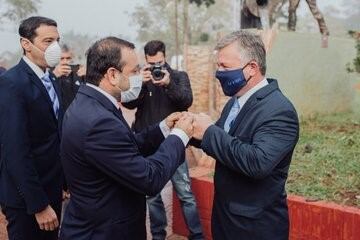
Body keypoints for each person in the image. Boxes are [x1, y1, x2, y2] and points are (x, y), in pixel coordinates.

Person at [59, 36, 194, 240]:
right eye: (134, 71)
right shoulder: (98, 121)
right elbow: (149, 178)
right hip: (105, 232)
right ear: (112, 74)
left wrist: (163, 128)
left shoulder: (91, 103)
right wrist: (180, 135)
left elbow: (126, 146)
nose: (139, 75)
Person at [190, 30, 300, 240]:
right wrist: (192, 131)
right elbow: (223, 143)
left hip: (254, 228)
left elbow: (257, 162)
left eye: (225, 67)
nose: (218, 73)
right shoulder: (235, 101)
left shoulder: (279, 110)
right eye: (217, 66)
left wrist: (209, 131)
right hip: (225, 219)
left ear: (251, 68)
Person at [123, 40, 204, 240]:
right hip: (148, 144)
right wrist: (138, 82)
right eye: (151, 64)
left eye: (159, 63)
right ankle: (158, 235)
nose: (156, 69)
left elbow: (186, 100)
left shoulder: (178, 76)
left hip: (175, 142)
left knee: (185, 193)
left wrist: (169, 84)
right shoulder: (143, 78)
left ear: (165, 57)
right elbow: (130, 104)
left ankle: (197, 235)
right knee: (152, 196)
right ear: (146, 60)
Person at [0, 16, 64, 240]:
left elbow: (53, 135)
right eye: (48, 41)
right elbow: (15, 151)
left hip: (52, 189)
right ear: (26, 44)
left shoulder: (52, 80)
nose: (55, 47)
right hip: (27, 200)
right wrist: (38, 205)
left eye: (57, 40)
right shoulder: (12, 83)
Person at [52, 44, 85, 111]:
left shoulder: (79, 71)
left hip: (77, 113)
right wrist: (54, 76)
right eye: (61, 58)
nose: (65, 62)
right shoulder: (50, 72)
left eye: (68, 58)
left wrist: (88, 75)